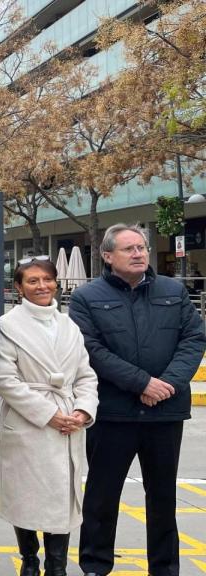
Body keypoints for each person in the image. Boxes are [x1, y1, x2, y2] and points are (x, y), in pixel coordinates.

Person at [69, 223, 206, 576]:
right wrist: (141, 383)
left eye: (141, 247)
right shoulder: (86, 297)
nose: (138, 254)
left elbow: (193, 339)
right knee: (101, 497)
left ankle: (165, 569)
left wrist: (167, 385)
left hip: (165, 413)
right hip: (113, 414)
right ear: (107, 256)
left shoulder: (173, 291)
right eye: (129, 249)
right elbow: (90, 349)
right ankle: (95, 567)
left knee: (162, 499)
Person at [0, 256, 98, 576]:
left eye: (47, 279)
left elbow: (85, 375)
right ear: (19, 287)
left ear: (56, 283)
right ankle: (29, 560)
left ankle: (57, 565)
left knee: (62, 495)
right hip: (28, 421)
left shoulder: (69, 325)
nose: (42, 286)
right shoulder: (7, 326)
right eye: (33, 281)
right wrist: (48, 413)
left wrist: (82, 410)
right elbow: (4, 379)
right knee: (25, 494)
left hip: (69, 421)